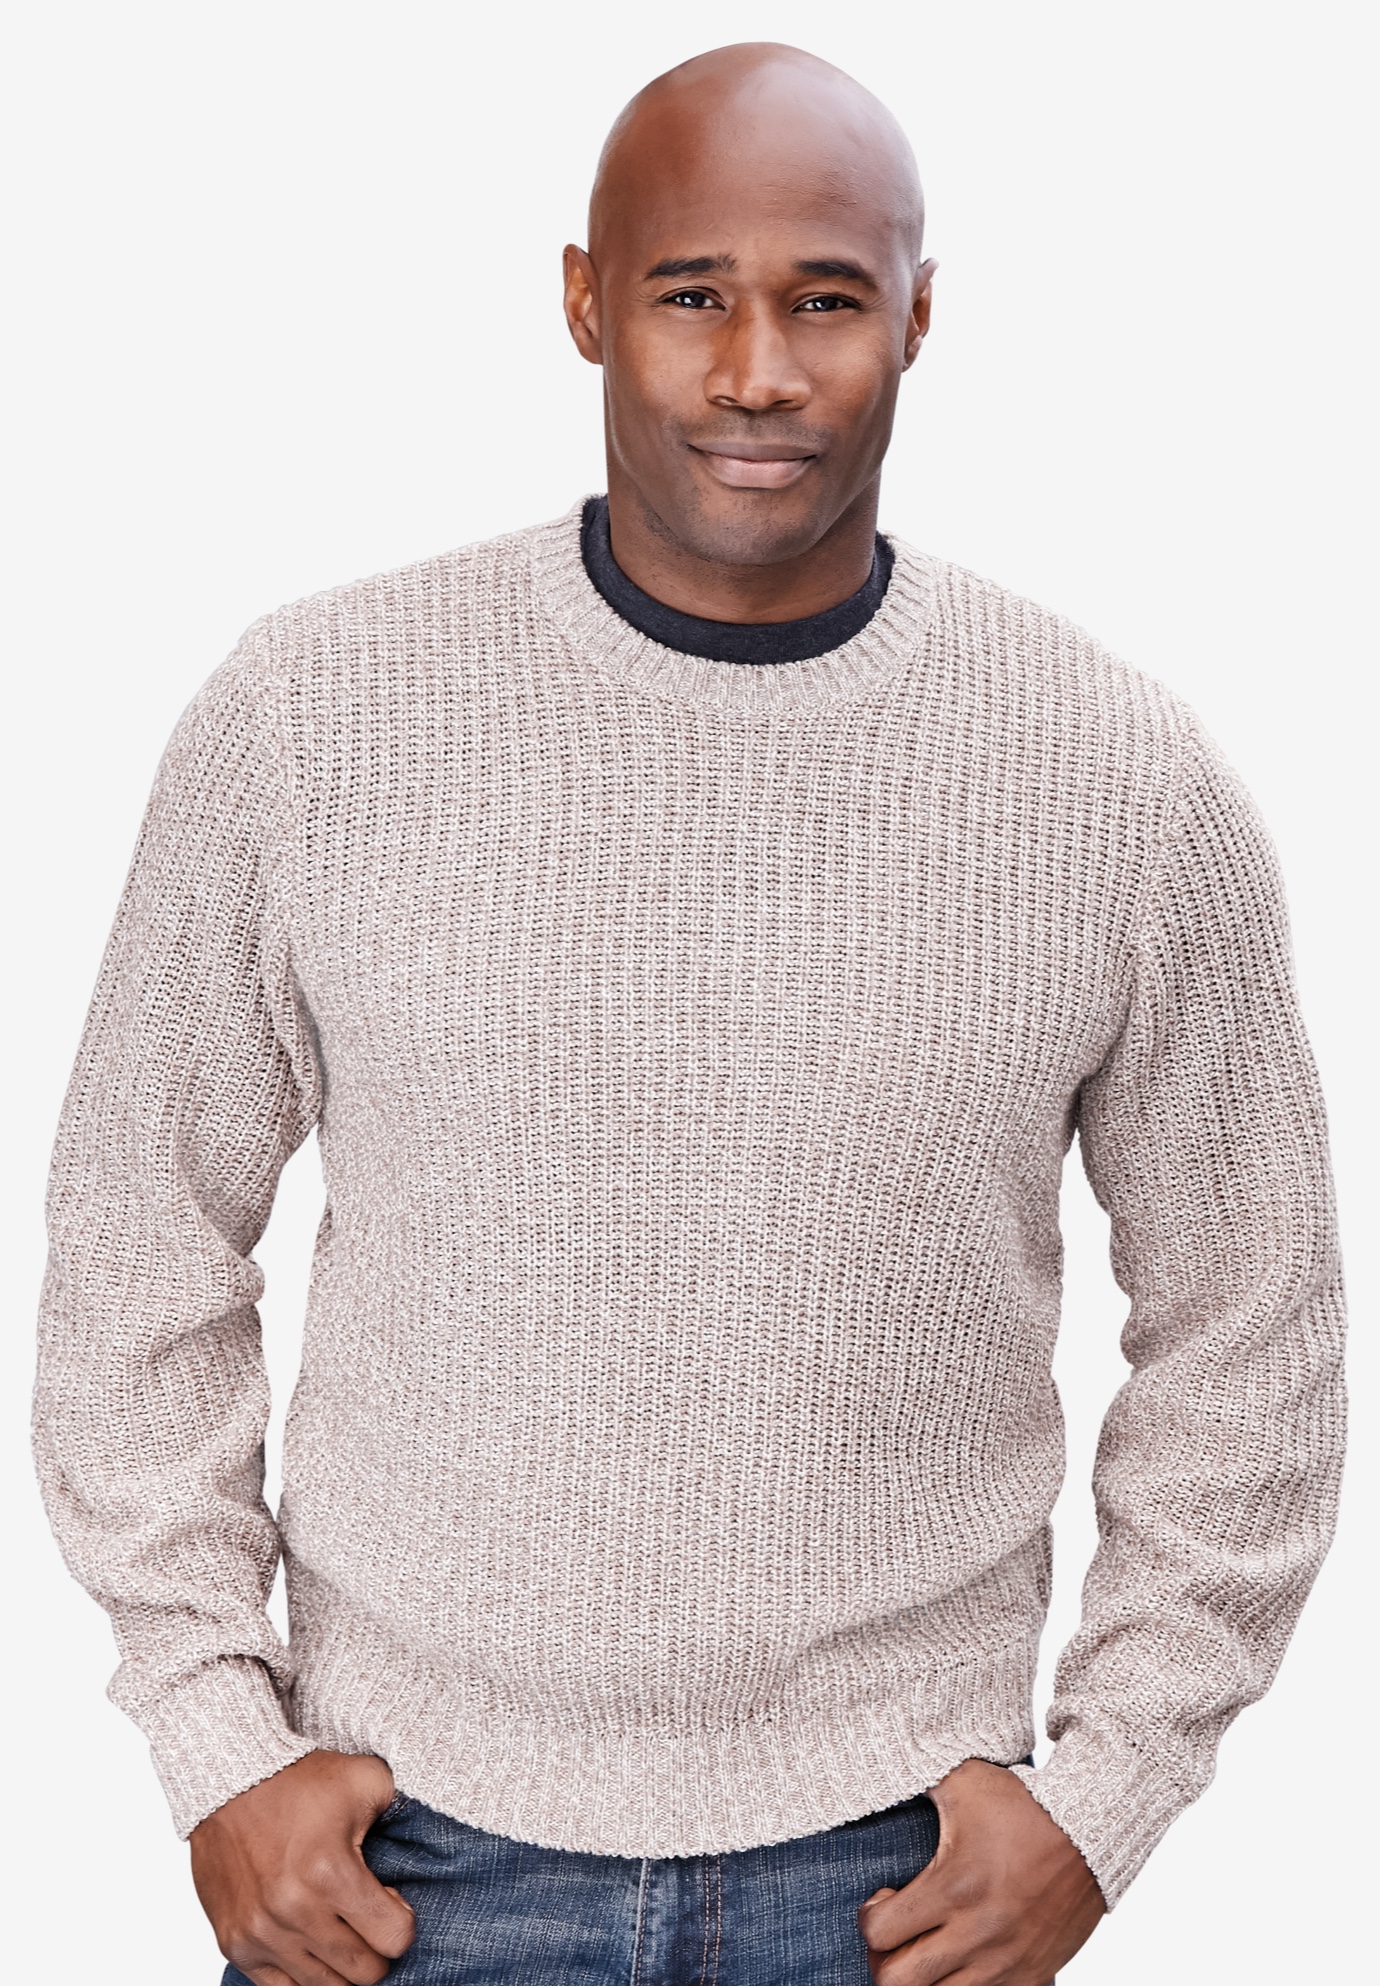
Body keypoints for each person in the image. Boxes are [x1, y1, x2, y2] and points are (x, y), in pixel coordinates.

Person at [33, 40, 1346, 1986]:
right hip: (404, 1869)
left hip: (899, 1882)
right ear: (583, 301)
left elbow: (1255, 1325)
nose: (756, 373)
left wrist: (1112, 1791)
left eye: (824, 301)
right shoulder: (313, 722)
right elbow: (136, 1240)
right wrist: (214, 1736)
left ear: (919, 315)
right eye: (689, 296)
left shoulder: (1119, 785)